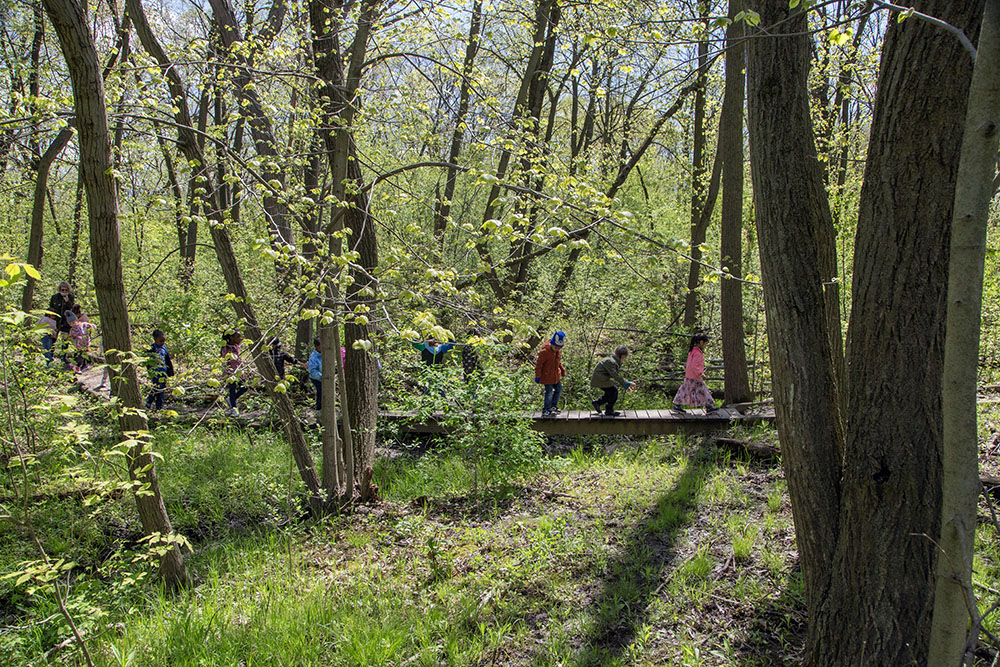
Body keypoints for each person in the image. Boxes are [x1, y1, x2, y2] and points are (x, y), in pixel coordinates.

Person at [672, 333, 718, 414]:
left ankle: (677, 406)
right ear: (701, 342)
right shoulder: (697, 353)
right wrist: (701, 373)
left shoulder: (692, 351)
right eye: (705, 344)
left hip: (689, 375)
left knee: (685, 391)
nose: (705, 346)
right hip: (695, 376)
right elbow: (694, 366)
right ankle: (709, 407)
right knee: (703, 391)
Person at [590, 345, 636, 418]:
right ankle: (609, 410)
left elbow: (615, 376)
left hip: (601, 379)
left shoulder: (613, 361)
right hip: (600, 379)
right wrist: (627, 383)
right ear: (623, 356)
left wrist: (626, 386)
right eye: (625, 357)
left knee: (610, 393)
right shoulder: (611, 362)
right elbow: (616, 376)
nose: (625, 359)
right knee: (614, 392)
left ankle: (597, 403)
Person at [535, 331, 566, 416]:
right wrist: (538, 376)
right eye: (555, 347)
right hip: (547, 376)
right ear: (552, 343)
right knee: (549, 392)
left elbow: (558, 362)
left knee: (559, 389)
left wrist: (562, 370)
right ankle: (546, 409)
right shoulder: (545, 352)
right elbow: (539, 365)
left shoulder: (558, 352)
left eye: (559, 348)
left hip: (556, 376)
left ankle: (553, 406)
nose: (557, 349)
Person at [145, 329, 174, 411]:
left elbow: (168, 360)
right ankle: (153, 404)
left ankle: (156, 404)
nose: (162, 343)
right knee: (157, 388)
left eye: (164, 341)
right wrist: (150, 370)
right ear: (155, 339)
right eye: (160, 341)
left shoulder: (164, 349)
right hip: (155, 372)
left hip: (163, 372)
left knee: (162, 388)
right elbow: (147, 361)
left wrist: (170, 371)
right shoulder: (152, 349)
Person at [221, 331, 248, 416]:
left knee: (245, 387)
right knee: (232, 390)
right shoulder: (226, 349)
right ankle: (234, 409)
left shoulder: (236, 347)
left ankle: (231, 400)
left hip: (239, 372)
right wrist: (226, 373)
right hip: (231, 373)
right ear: (231, 338)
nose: (240, 339)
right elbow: (224, 362)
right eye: (237, 337)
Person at [308, 337, 322, 410]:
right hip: (316, 378)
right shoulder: (313, 357)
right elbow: (312, 371)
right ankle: (319, 408)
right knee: (321, 392)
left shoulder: (324, 354)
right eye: (320, 346)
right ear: (316, 346)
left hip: (323, 377)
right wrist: (321, 377)